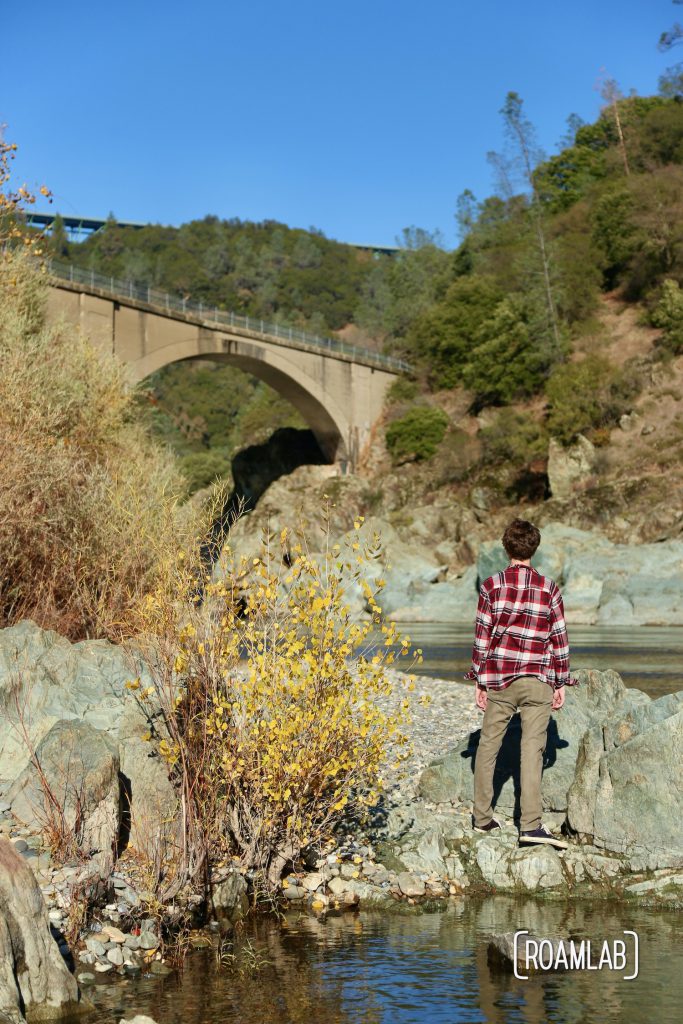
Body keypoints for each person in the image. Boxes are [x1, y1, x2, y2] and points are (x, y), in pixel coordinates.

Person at [465, 518, 577, 849]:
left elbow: (482, 638)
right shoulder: (549, 588)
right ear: (534, 548)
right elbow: (559, 638)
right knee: (533, 751)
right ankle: (530, 826)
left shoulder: (490, 586)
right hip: (538, 679)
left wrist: (479, 680)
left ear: (506, 548)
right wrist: (561, 681)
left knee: (488, 746)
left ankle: (482, 818)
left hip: (500, 678)